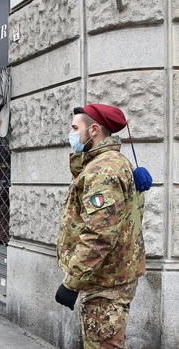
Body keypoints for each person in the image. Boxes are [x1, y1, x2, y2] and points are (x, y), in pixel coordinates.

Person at [55, 104, 146, 348]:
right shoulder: (104, 163)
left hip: (106, 282)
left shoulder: (103, 170)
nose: (71, 133)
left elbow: (99, 233)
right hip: (109, 276)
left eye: (75, 128)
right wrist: (78, 153)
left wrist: (71, 282)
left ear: (94, 130)